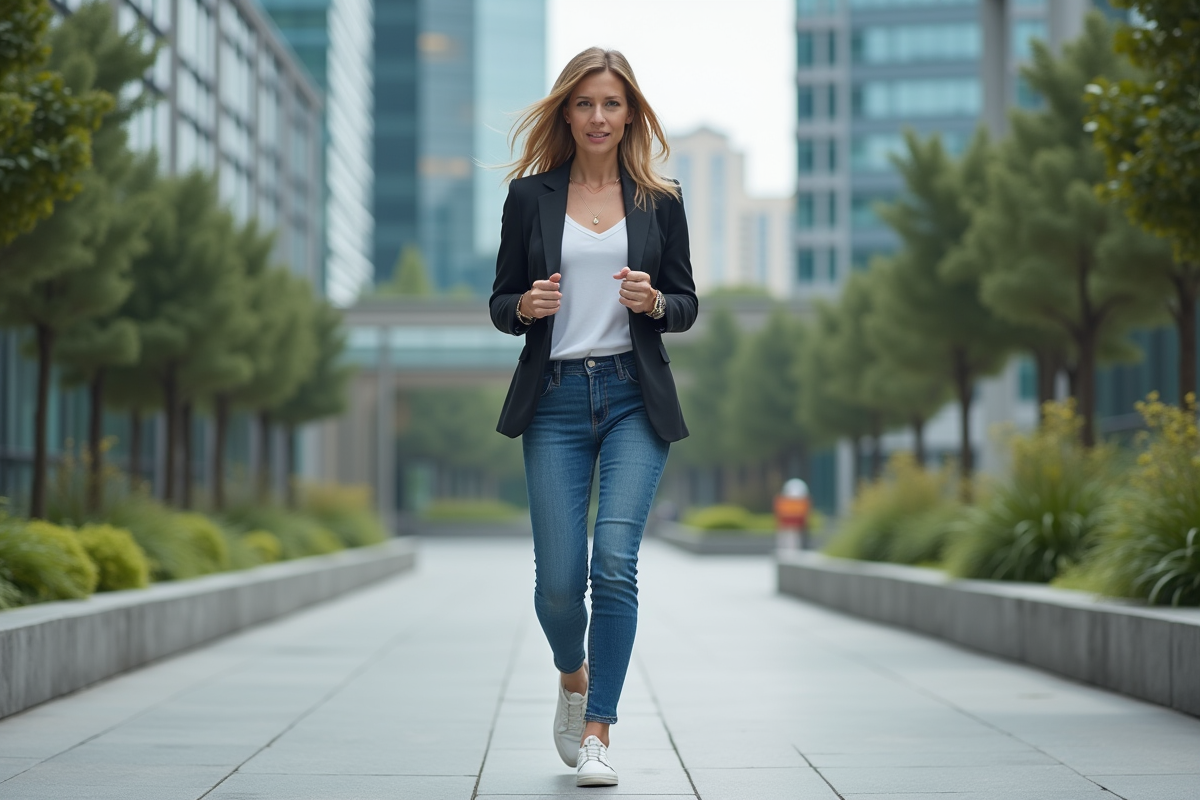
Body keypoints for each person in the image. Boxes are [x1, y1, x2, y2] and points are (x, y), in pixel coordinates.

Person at [489, 47, 697, 787]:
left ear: (630, 112)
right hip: (555, 400)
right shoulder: (529, 198)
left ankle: (599, 730)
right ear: (567, 113)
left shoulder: (660, 199)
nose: (598, 117)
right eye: (585, 103)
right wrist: (523, 306)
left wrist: (655, 302)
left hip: (634, 396)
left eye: (611, 103)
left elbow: (686, 303)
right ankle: (572, 675)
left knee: (613, 561)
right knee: (557, 584)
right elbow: (500, 302)